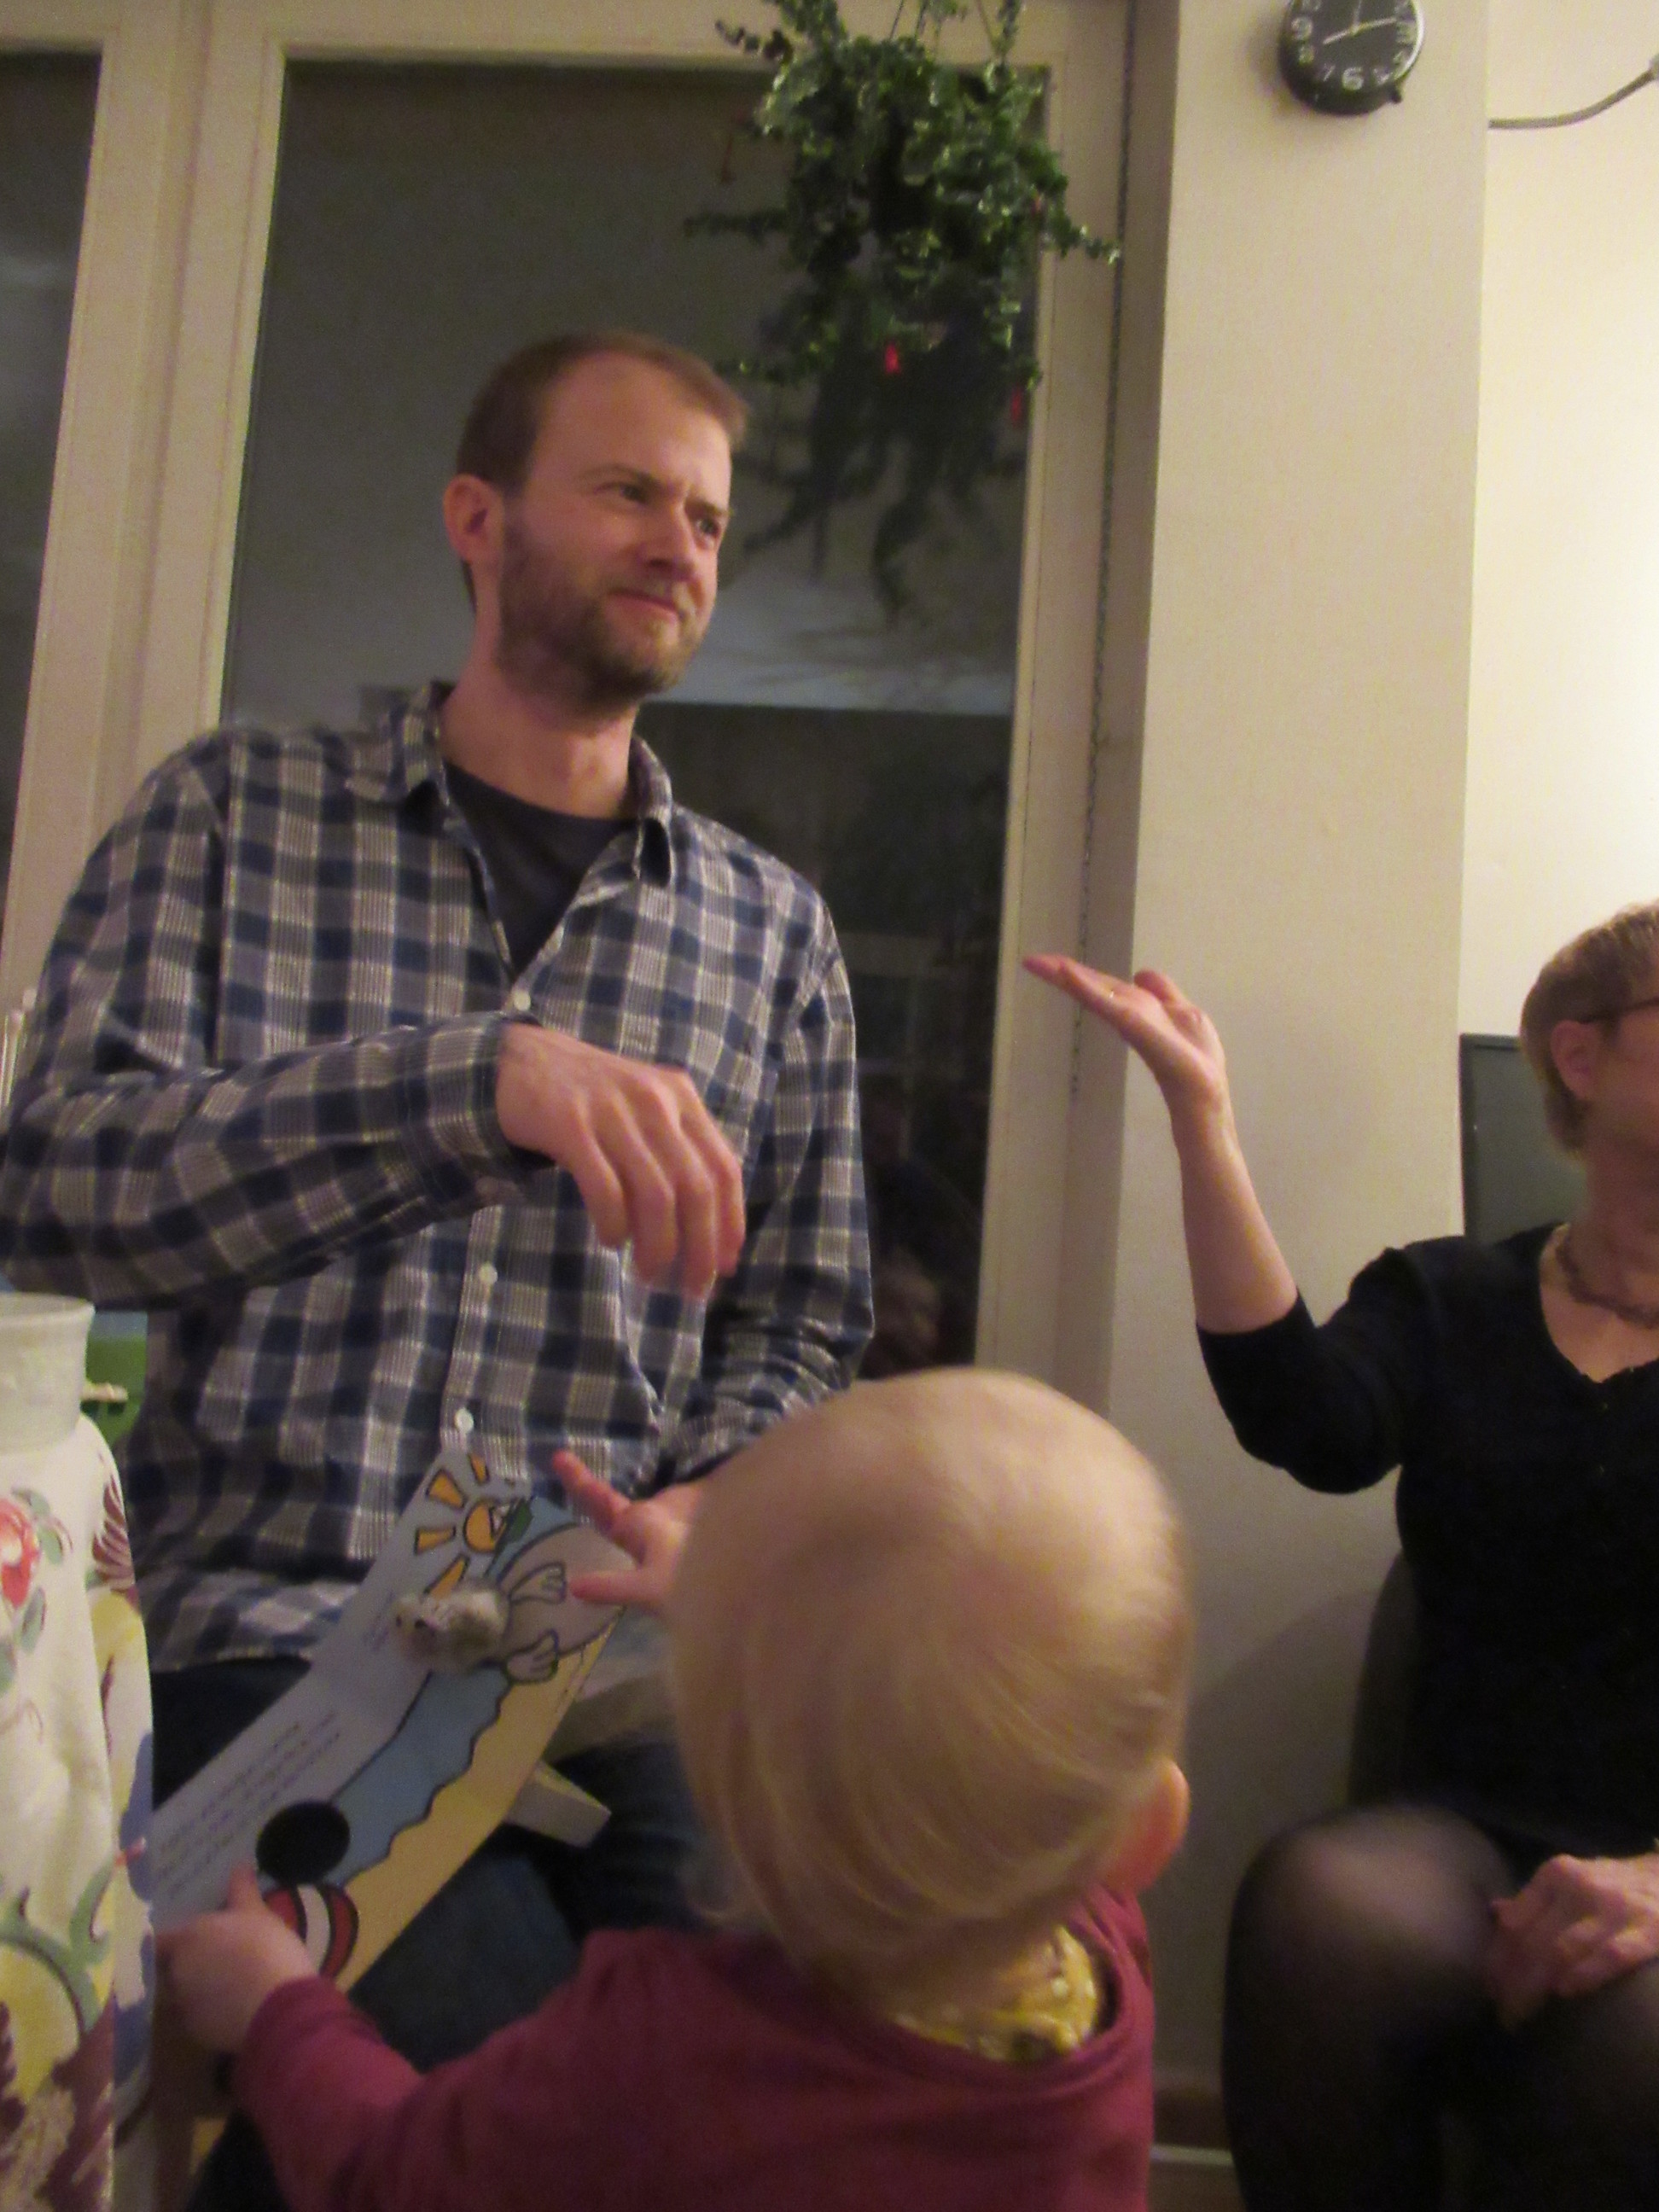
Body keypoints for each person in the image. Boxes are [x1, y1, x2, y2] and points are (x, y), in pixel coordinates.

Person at [0, 329, 872, 2175]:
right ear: (479, 518)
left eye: (708, 517)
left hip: (617, 1659)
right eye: (628, 491)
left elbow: (802, 1319)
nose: (680, 543)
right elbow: (56, 1191)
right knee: (511, 2083)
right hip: (273, 1627)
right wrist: (474, 1086)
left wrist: (715, 1499)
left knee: (777, 2063)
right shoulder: (230, 814)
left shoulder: (771, 933)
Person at [157, 1366, 1192, 2212]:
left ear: (719, 1795)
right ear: (1148, 1832)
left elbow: (397, 2179)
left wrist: (280, 2014)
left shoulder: (661, 2047)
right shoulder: (1103, 1971)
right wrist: (727, 1602)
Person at [1027, 913, 1659, 2212]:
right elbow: (1303, 1419)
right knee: (1319, 1914)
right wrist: (1203, 1122)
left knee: (1633, 2046)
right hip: (1466, 1831)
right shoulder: (1453, 1299)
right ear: (1582, 1058)